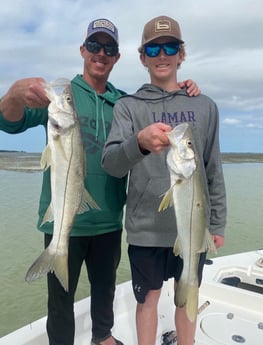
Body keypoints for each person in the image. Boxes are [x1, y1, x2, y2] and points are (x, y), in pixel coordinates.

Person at [0, 18, 201, 345]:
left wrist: (186, 91)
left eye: (109, 48)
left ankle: (102, 337)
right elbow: (8, 124)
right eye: (94, 45)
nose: (101, 53)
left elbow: (160, 119)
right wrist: (13, 94)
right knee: (60, 301)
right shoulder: (58, 97)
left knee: (105, 289)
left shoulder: (124, 104)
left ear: (117, 57)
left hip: (108, 219)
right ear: (83, 50)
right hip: (63, 219)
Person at [102, 15, 227, 345]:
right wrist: (139, 143)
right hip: (146, 229)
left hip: (194, 228)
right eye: (153, 48)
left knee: (187, 300)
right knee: (148, 302)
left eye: (170, 46)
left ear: (181, 54)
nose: (162, 55)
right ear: (142, 57)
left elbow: (212, 168)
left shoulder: (204, 105)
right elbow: (112, 164)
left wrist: (218, 224)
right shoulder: (128, 107)